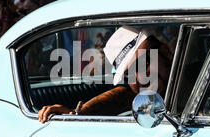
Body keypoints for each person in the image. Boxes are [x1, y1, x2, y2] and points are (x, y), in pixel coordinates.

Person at [38, 26, 173, 123]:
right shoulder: (138, 98)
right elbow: (118, 98)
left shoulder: (192, 87)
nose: (138, 78)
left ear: (165, 52)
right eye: (128, 74)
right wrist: (73, 114)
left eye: (142, 64)